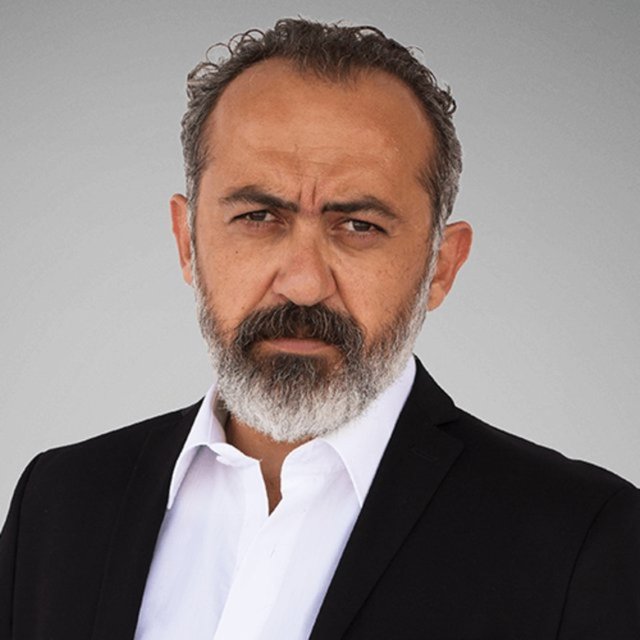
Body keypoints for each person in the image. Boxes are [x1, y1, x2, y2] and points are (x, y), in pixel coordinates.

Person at [1, 17, 638, 640]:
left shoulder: (584, 538)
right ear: (187, 242)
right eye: (258, 216)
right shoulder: (58, 502)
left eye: (359, 225)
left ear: (441, 267)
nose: (304, 283)